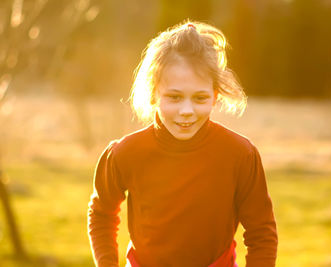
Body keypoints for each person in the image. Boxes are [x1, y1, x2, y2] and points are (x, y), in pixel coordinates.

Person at [87, 20, 278, 267]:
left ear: (215, 97)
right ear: (154, 93)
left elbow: (261, 232)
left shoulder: (241, 155)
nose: (186, 111)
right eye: (174, 97)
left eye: (200, 98)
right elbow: (101, 213)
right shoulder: (125, 153)